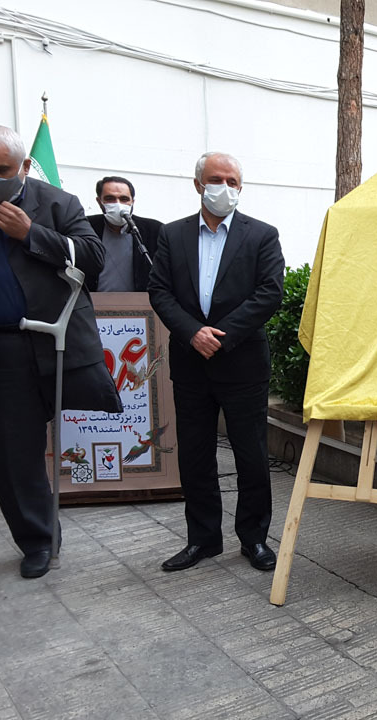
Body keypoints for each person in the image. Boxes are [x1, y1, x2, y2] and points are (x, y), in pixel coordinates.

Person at [0, 124, 119, 578]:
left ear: (22, 167)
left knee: (30, 449)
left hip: (41, 344)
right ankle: (32, 539)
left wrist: (31, 233)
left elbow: (93, 258)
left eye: (0, 170)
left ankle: (40, 539)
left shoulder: (57, 203)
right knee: (9, 455)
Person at [148, 152, 284, 572]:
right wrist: (193, 332)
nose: (223, 187)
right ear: (197, 184)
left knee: (252, 456)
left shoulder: (261, 235)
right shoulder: (172, 235)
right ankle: (203, 540)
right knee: (195, 455)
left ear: (240, 187)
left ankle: (254, 538)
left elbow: (270, 292)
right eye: (215, 179)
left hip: (242, 363)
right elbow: (160, 291)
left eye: (232, 181)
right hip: (191, 364)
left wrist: (219, 337)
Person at [86, 176, 163, 292]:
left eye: (124, 199)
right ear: (99, 201)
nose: (118, 204)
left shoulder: (154, 230)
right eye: (110, 198)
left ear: (132, 202)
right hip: (93, 301)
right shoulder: (86, 227)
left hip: (140, 302)